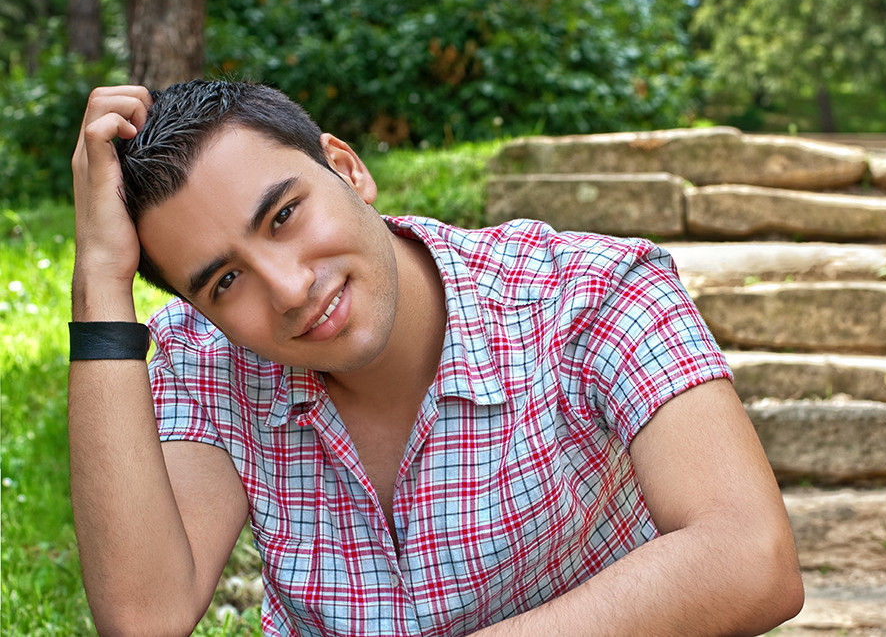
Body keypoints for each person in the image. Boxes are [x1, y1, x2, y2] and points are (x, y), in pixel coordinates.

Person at [68, 80, 804, 637]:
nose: (289, 289)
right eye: (226, 281)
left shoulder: (590, 291)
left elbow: (751, 554)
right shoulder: (209, 359)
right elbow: (144, 617)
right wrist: (101, 277)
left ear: (347, 170)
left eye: (284, 215)